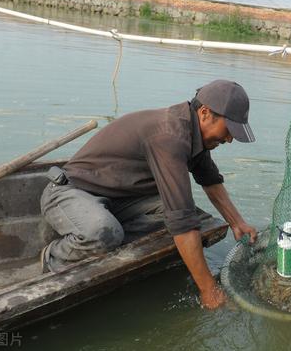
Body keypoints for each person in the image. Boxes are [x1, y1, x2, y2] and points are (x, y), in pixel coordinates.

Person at [39, 79, 258, 310]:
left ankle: (112, 239)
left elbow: (210, 181)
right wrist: (209, 289)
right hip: (70, 193)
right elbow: (182, 225)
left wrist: (237, 222)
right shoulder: (169, 136)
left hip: (120, 200)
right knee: (105, 233)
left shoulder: (195, 134)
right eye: (228, 130)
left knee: (195, 218)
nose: (230, 139)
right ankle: (53, 257)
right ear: (205, 113)